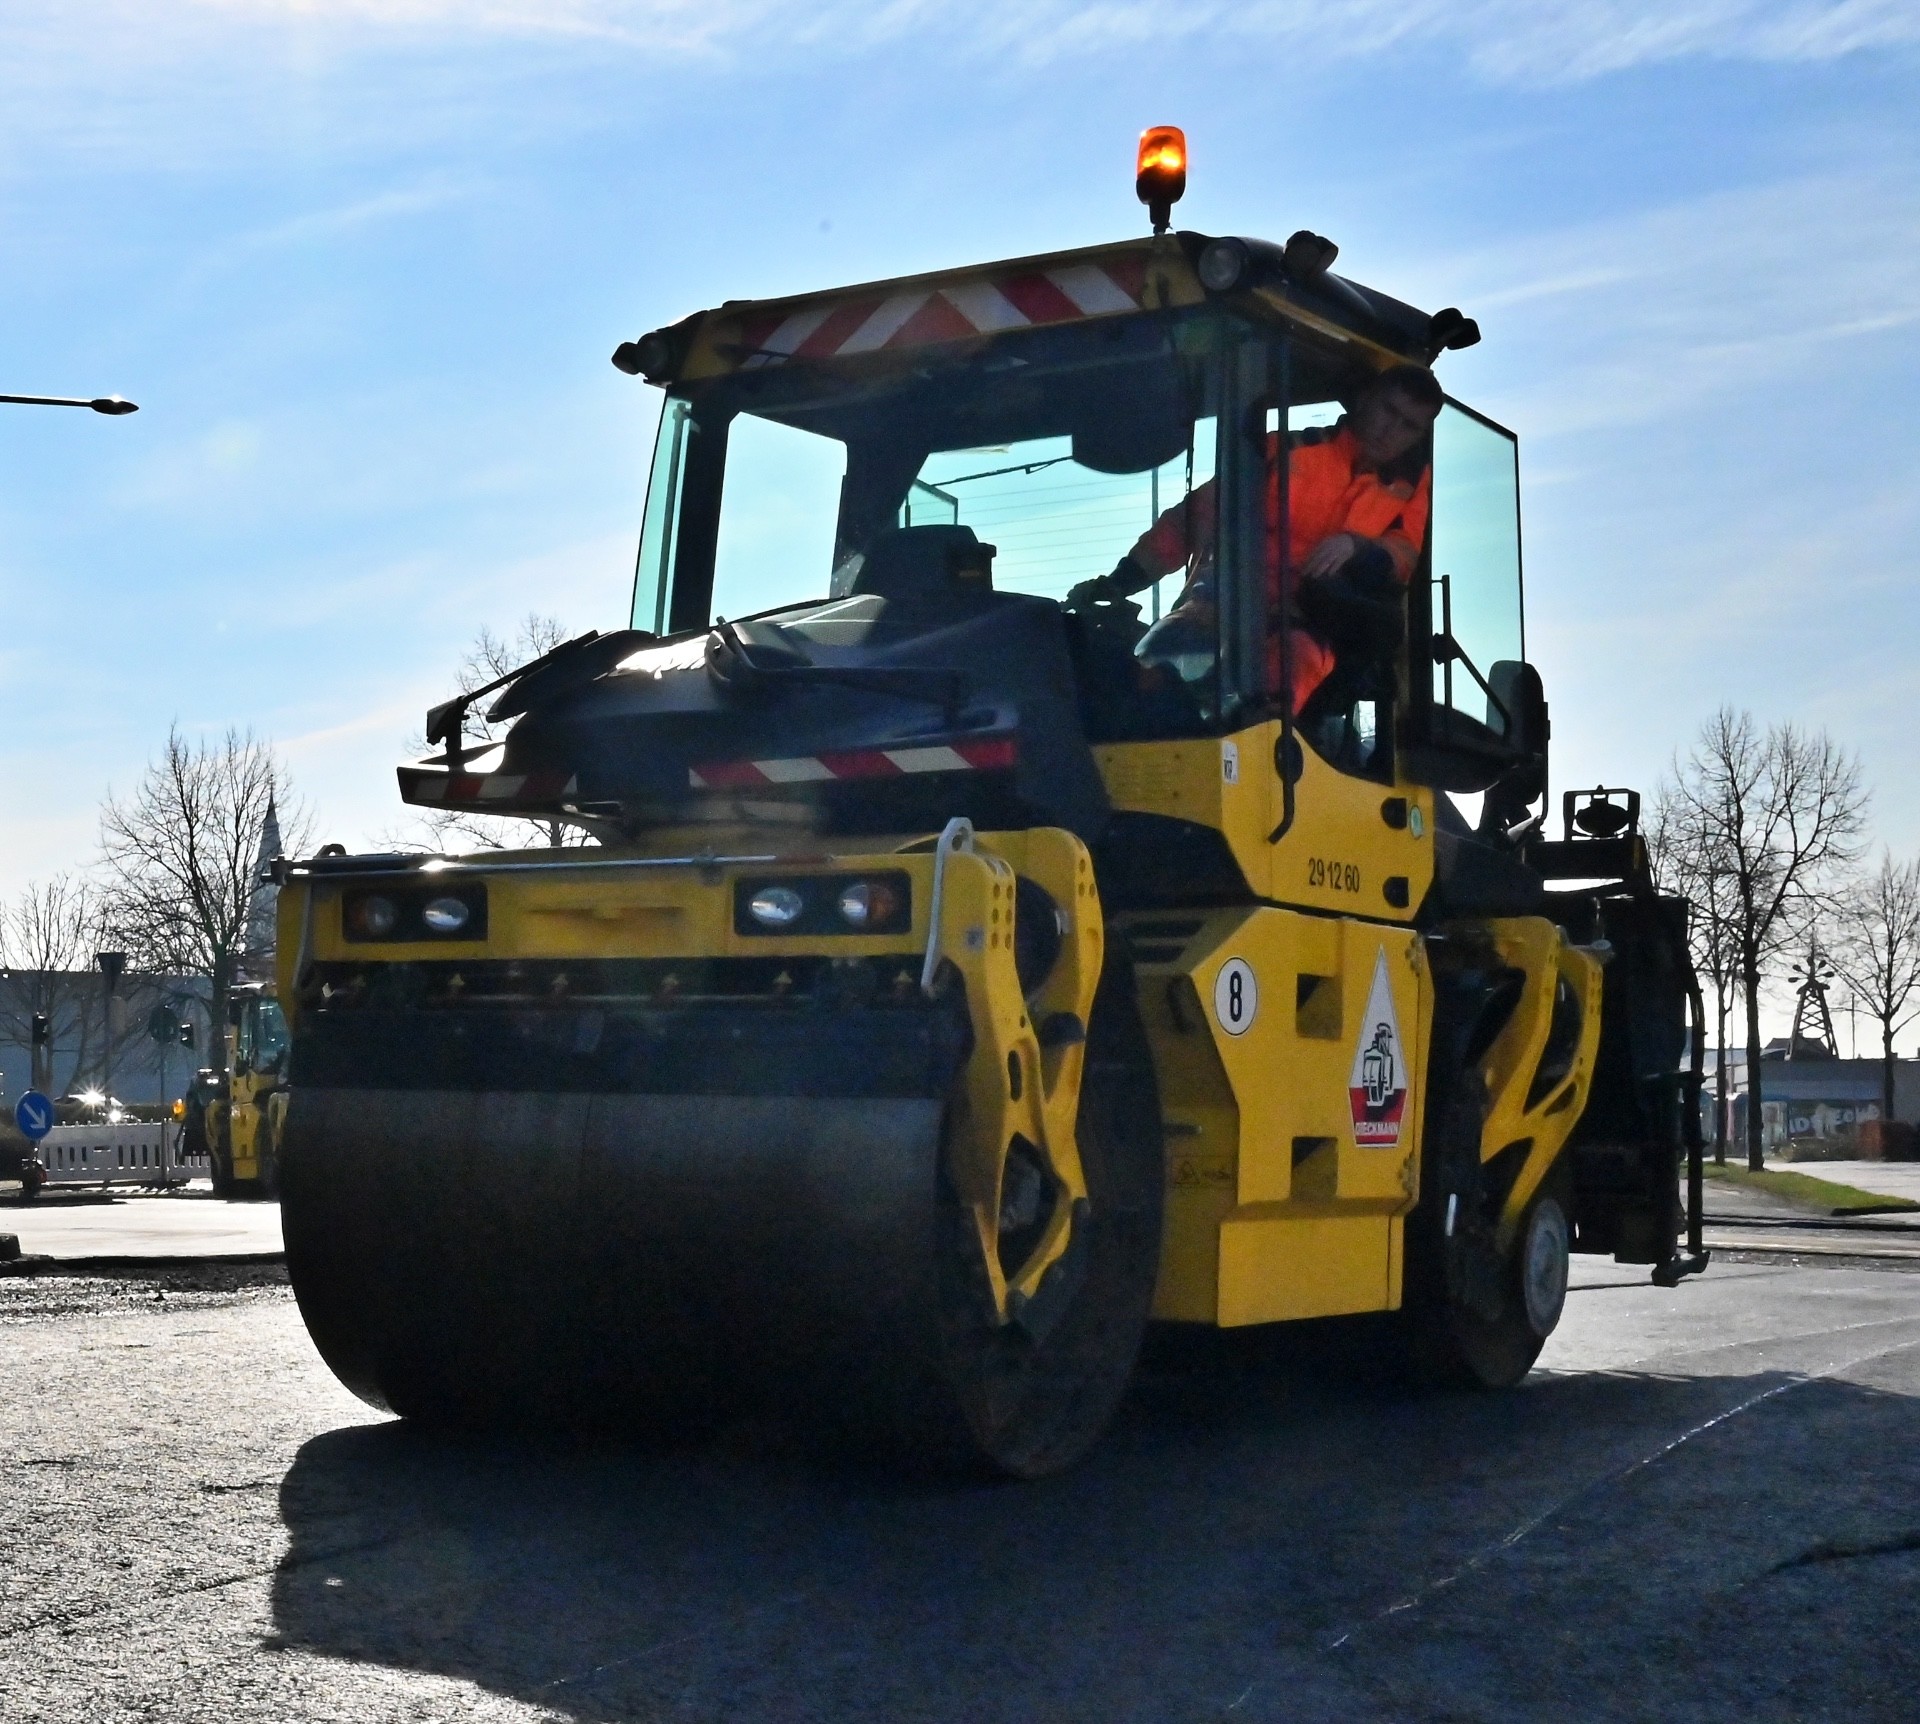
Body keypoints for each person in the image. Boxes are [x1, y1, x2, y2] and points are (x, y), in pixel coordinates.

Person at [1067, 364, 1443, 715]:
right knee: (1152, 666)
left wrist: (1356, 546)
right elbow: (1191, 520)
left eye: (1409, 425)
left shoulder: (1408, 489)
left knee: (1288, 676)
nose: (1391, 430)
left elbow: (1403, 554)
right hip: (1220, 607)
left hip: (1306, 620)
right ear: (1364, 400)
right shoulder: (1284, 451)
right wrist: (1122, 581)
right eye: (1388, 411)